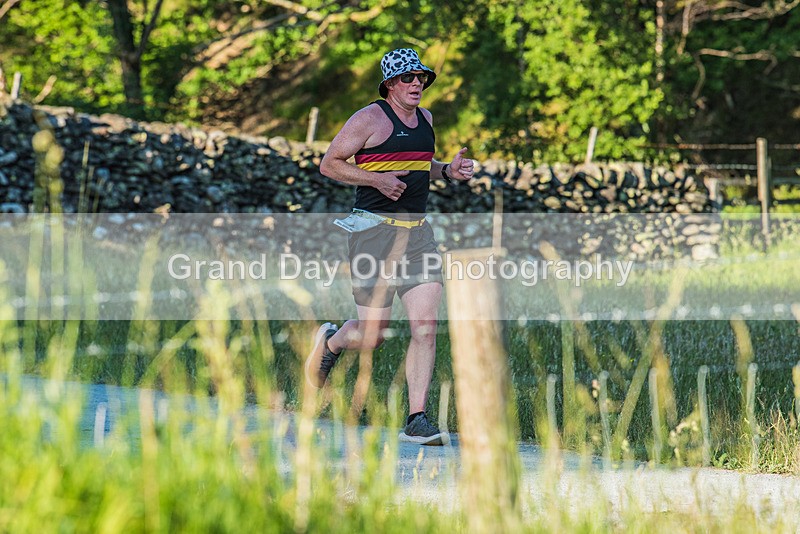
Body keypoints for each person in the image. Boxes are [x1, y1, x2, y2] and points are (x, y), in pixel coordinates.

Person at [306, 48, 474, 446]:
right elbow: (329, 163)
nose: (417, 84)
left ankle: (417, 418)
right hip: (373, 234)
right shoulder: (368, 119)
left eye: (422, 78)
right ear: (390, 85)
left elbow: (419, 164)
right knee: (372, 334)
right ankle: (330, 340)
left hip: (417, 235)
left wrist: (447, 171)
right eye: (408, 78)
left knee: (425, 327)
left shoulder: (426, 119)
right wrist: (376, 180)